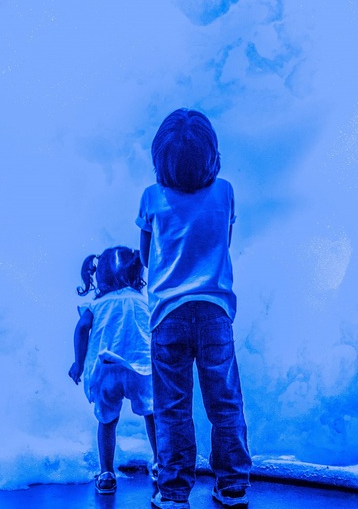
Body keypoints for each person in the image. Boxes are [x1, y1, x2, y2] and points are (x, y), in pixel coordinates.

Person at [137, 109, 252, 509]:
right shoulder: (225, 192)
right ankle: (233, 485)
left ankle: (173, 492)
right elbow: (224, 241)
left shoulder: (152, 197)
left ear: (160, 159)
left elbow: (147, 255)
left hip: (167, 316)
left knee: (172, 408)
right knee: (224, 402)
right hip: (215, 312)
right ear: (212, 155)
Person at [69, 246, 158, 495]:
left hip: (106, 368)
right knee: (151, 414)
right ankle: (161, 464)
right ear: (135, 274)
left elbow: (81, 329)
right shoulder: (143, 300)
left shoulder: (96, 304)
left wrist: (78, 363)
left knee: (107, 420)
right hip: (140, 369)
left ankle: (107, 473)